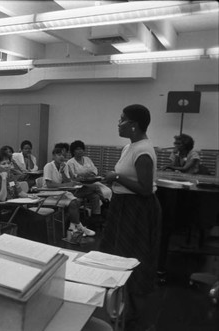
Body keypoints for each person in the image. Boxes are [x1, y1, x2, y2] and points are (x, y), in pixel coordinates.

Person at [101, 104, 161, 330]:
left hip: (136, 210)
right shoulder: (131, 146)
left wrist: (115, 176)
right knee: (118, 254)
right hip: (123, 206)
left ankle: (134, 311)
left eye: (122, 119)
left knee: (131, 256)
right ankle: (121, 301)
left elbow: (145, 188)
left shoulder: (142, 150)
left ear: (133, 125)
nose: (118, 122)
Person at [42, 146, 96, 237]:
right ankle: (80, 227)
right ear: (53, 156)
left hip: (59, 193)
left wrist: (63, 173)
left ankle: (73, 227)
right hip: (48, 194)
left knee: (76, 201)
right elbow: (49, 184)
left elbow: (67, 181)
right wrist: (65, 185)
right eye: (59, 155)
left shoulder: (64, 165)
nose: (61, 157)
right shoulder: (48, 166)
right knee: (74, 203)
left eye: (63, 155)